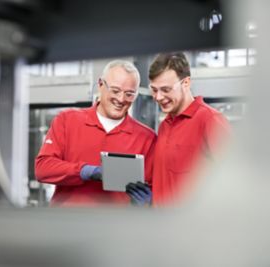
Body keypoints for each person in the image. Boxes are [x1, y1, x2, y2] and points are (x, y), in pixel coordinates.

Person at [35, 60, 156, 207]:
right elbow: (43, 169)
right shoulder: (67, 121)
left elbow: (153, 187)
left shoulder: (147, 138)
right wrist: (85, 171)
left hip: (117, 227)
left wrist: (148, 203)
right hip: (66, 223)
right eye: (115, 91)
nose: (121, 99)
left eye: (129, 94)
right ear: (100, 84)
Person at [126, 52, 230, 206]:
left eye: (166, 89)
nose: (159, 97)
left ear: (186, 83)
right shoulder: (164, 126)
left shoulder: (210, 120)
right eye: (154, 90)